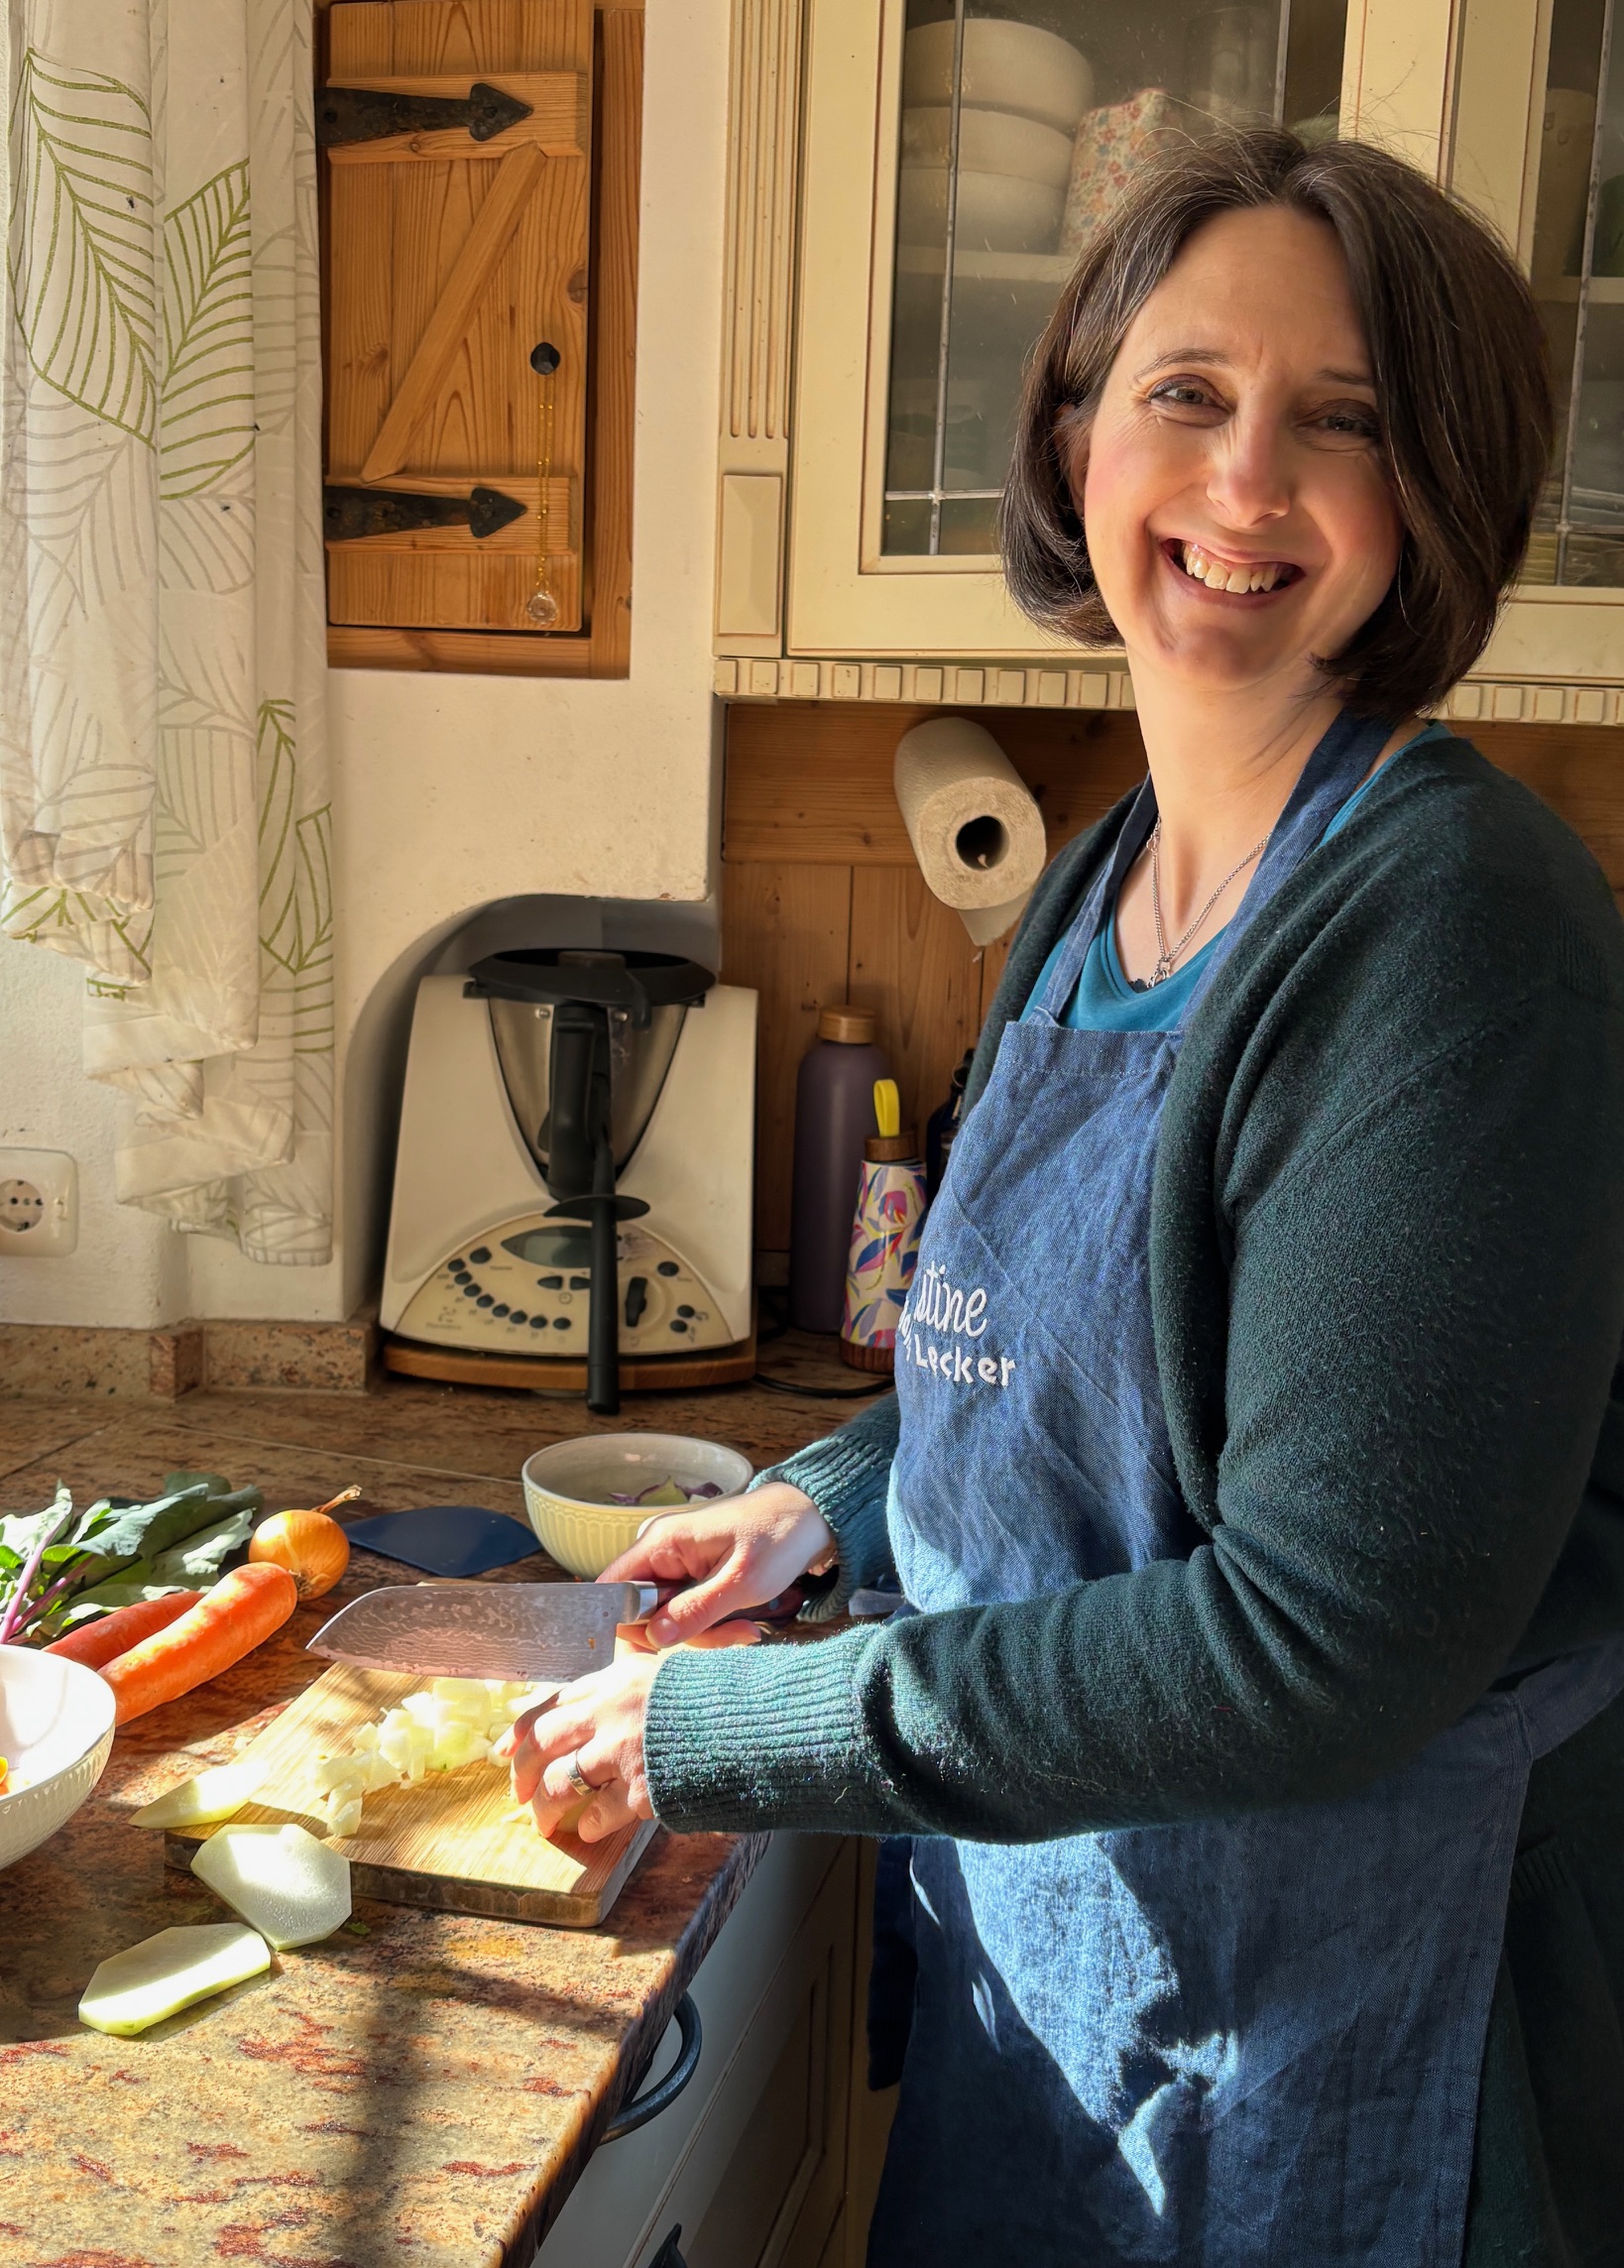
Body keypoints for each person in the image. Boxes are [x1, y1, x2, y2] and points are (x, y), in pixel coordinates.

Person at [505, 130, 1624, 2263]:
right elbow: (1023, 1365)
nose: (1242, 481)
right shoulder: (1099, 882)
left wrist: (735, 1721)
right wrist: (825, 1497)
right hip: (1087, 1975)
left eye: (1346, 420)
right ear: (1080, 430)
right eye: (1188, 392)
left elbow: (1329, 1638)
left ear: (1438, 492)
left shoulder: (1452, 924)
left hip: (1359, 2031)